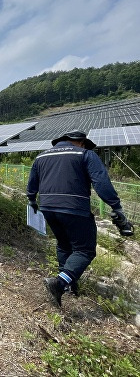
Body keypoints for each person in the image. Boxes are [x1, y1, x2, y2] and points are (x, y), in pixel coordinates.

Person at [26, 130, 132, 307]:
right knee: (85, 250)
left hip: (47, 207)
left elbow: (32, 183)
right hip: (75, 208)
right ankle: (59, 283)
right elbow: (101, 182)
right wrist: (116, 207)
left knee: (64, 244)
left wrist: (31, 199)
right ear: (80, 142)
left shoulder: (41, 157)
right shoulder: (85, 154)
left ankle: (69, 285)